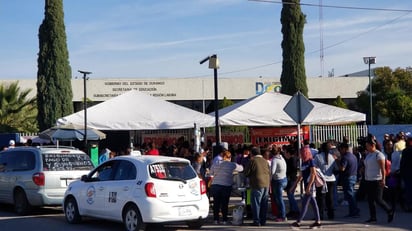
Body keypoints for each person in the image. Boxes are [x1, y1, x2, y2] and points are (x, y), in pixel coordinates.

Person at [363, 135, 394, 223]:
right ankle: (373, 217)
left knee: (378, 199)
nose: (366, 147)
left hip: (377, 180)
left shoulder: (379, 155)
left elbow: (382, 169)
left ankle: (389, 210)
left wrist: (383, 180)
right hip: (369, 179)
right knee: (370, 200)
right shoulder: (368, 155)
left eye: (367, 145)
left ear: (372, 145)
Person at [290, 144, 321, 228]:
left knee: (305, 203)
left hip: (310, 185)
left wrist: (308, 187)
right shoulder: (304, 162)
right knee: (313, 203)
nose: (300, 154)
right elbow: (301, 175)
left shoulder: (311, 161)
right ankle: (318, 221)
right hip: (307, 185)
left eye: (302, 152)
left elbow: (313, 174)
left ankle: (299, 221)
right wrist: (294, 186)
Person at [209, 150, 243, 225]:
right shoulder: (231, 165)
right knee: (225, 203)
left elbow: (211, 173)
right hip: (226, 186)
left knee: (216, 203)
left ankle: (216, 220)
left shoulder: (215, 163)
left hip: (215, 185)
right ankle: (224, 220)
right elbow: (241, 168)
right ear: (229, 157)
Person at [244, 146, 270, 226]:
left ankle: (256, 221)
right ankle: (263, 220)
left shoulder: (252, 161)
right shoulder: (265, 161)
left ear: (252, 153)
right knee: (264, 203)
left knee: (256, 203)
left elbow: (246, 173)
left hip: (257, 184)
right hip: (266, 183)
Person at [314, 142, 337, 220]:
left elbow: (315, 168)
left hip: (321, 180)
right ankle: (331, 215)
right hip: (331, 179)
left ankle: (320, 215)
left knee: (320, 199)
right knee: (329, 198)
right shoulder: (333, 157)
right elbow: (336, 168)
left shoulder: (318, 157)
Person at [336, 142, 360, 218]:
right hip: (354, 176)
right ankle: (354, 210)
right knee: (352, 195)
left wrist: (337, 161)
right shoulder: (353, 156)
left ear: (344, 149)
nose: (340, 151)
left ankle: (354, 212)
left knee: (350, 196)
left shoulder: (345, 157)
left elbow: (342, 168)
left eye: (340, 149)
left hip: (348, 177)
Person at [270, 147, 288, 222]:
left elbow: (272, 172)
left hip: (278, 181)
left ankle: (282, 216)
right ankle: (280, 215)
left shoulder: (274, 160)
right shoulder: (281, 158)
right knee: (279, 199)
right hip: (284, 179)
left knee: (279, 199)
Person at [284, 145, 300, 219]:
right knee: (290, 196)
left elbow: (292, 169)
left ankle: (296, 211)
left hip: (291, 179)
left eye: (285, 152)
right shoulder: (294, 158)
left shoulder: (291, 159)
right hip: (292, 179)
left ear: (288, 153)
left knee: (291, 196)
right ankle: (292, 211)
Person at [400, 135, 412, 212]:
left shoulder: (405, 151)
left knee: (409, 190)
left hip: (408, 173)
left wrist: (402, 173)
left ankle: (409, 205)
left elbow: (402, 163)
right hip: (408, 173)